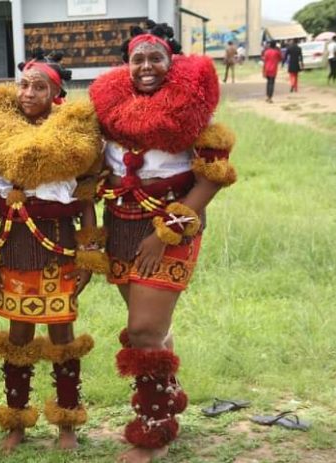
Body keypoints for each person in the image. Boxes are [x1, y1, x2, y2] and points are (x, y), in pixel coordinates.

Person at [89, 20, 237, 463]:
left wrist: (162, 233)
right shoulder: (111, 110)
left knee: (143, 331)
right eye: (138, 59)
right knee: (149, 327)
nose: (146, 66)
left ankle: (152, 431)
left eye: (156, 58)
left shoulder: (193, 112)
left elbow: (210, 181)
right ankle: (168, 395)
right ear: (126, 65)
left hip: (170, 228)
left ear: (172, 65)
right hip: (120, 225)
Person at [0, 49, 106, 452]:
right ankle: (17, 423)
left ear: (56, 94)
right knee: (18, 338)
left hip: (58, 251)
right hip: (12, 253)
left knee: (63, 337)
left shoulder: (75, 138)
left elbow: (86, 200)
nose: (28, 93)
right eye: (23, 84)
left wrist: (89, 257)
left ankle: (66, 424)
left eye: (39, 86)